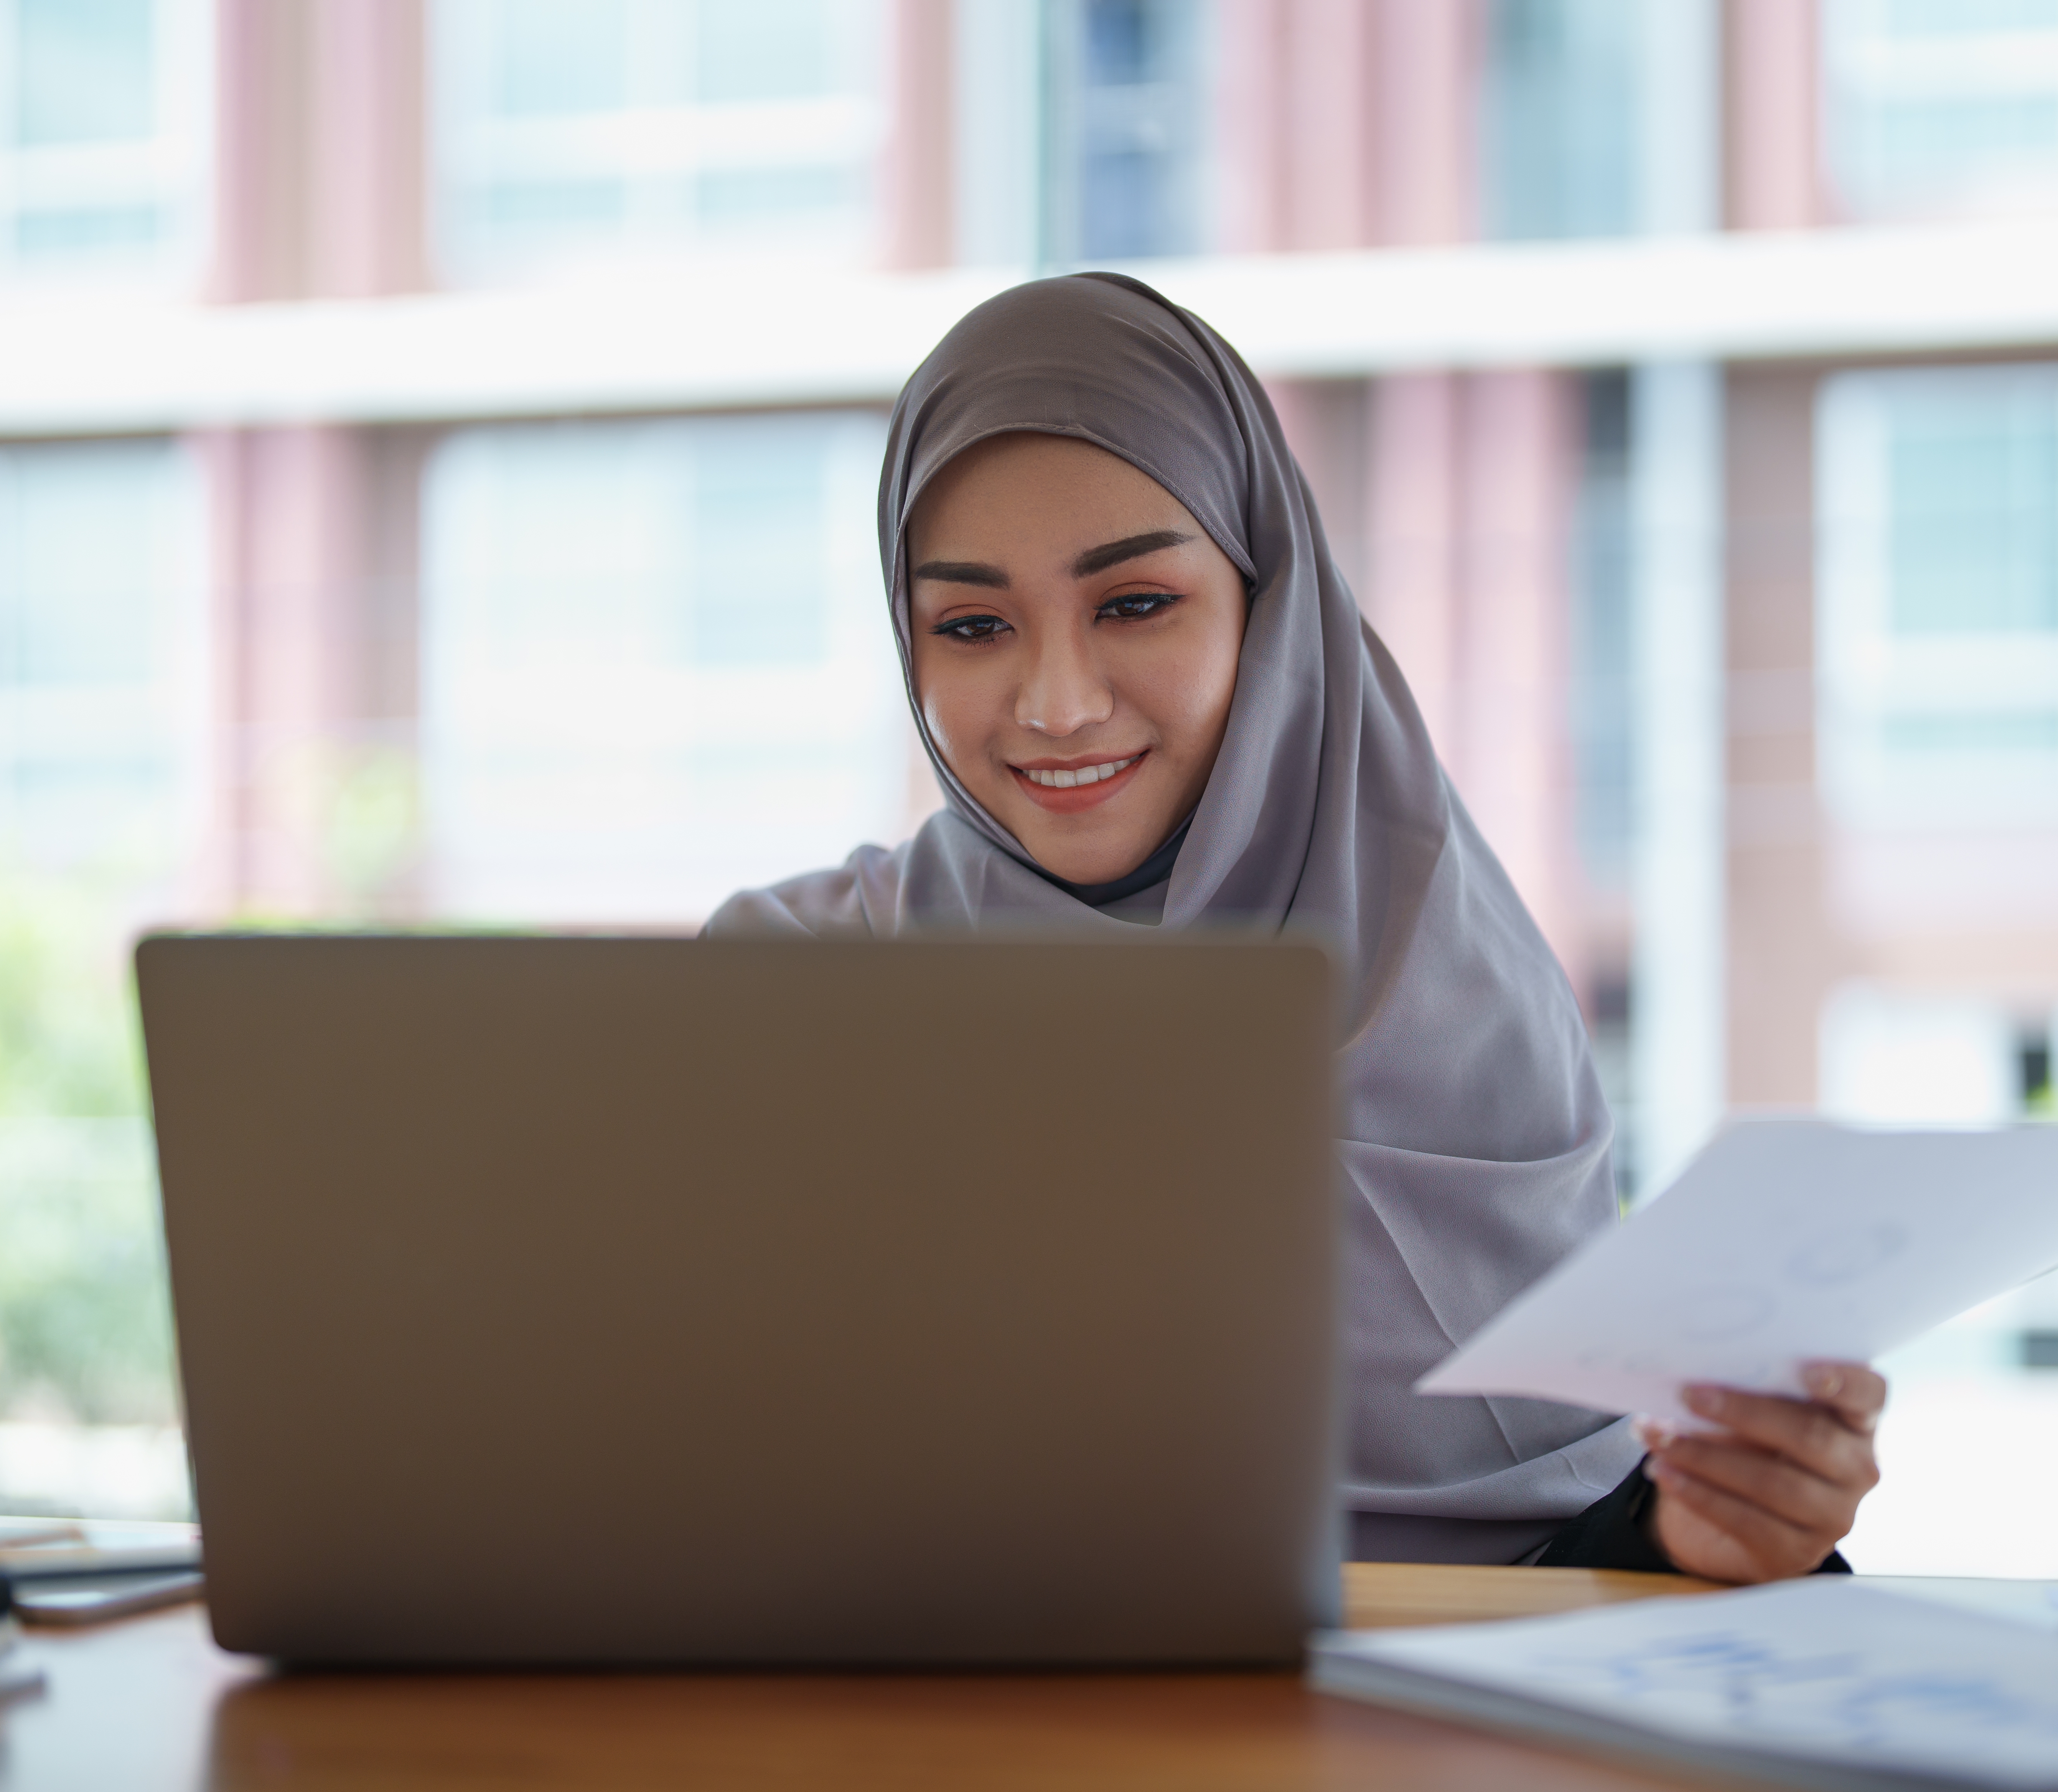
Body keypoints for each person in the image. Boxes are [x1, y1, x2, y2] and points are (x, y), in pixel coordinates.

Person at [707, 272, 1885, 1579]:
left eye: (1135, 604)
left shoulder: (1454, 1005)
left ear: (1269, 613)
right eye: (973, 626)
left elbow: (1559, 1550)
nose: (1055, 702)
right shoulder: (791, 992)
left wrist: (1713, 1529)